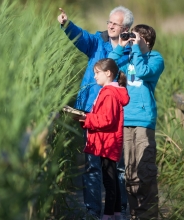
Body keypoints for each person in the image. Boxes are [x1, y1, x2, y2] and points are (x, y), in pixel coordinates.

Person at [57, 6, 134, 219]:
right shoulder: (97, 42)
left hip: (117, 115)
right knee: (92, 164)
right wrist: (66, 24)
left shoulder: (131, 53)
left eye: (115, 23)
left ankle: (120, 208)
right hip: (92, 111)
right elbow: (81, 38)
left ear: (125, 28)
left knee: (117, 167)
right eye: (109, 21)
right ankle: (92, 210)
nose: (109, 25)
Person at [108, 24, 165, 219]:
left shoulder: (155, 59)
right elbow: (109, 68)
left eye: (136, 38)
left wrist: (136, 48)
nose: (132, 41)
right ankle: (135, 214)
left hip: (143, 121)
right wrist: (120, 46)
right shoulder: (128, 58)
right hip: (126, 120)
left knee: (145, 170)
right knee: (130, 172)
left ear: (146, 41)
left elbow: (141, 72)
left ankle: (147, 215)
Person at [78, 58, 129, 220]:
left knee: (109, 181)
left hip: (107, 143)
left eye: (97, 73)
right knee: (111, 178)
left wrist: (86, 120)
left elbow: (107, 119)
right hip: (108, 141)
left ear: (108, 73)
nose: (94, 77)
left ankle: (107, 215)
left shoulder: (109, 93)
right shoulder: (110, 92)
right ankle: (116, 213)